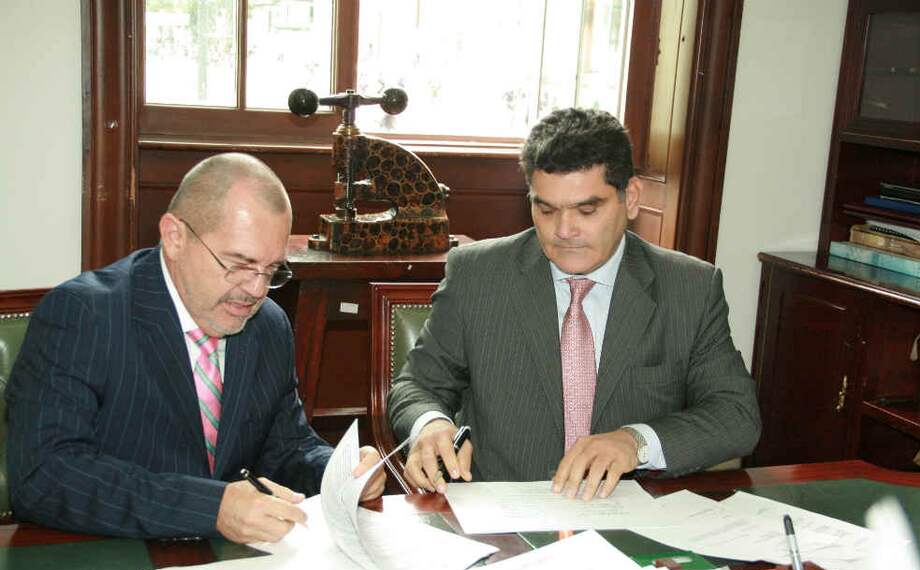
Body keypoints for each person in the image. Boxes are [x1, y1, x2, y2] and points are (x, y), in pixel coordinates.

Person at [6, 153, 385, 542]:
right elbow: (44, 474)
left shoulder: (267, 324)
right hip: (105, 565)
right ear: (174, 237)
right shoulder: (85, 314)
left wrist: (341, 471)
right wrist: (210, 507)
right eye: (238, 264)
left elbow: (285, 446)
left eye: (271, 270)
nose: (256, 290)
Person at [388, 108, 760, 501]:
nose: (564, 231)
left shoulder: (689, 288)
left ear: (630, 198)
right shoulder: (478, 275)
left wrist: (636, 442)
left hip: (632, 519)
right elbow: (418, 386)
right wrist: (429, 424)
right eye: (546, 209)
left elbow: (735, 415)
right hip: (501, 516)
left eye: (587, 210)